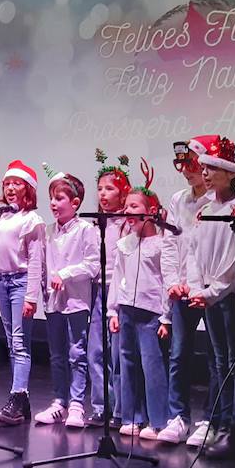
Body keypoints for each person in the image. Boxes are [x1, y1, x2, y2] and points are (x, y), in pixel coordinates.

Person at [184, 134, 235, 459]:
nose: (207, 173)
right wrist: (198, 288)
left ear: (231, 172)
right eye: (205, 168)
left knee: (234, 364)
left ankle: (234, 430)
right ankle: (221, 423)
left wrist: (213, 292)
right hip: (211, 297)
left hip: (230, 298)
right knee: (219, 361)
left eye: (214, 168)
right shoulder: (206, 209)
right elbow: (195, 253)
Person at [108, 165, 176, 440]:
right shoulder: (125, 243)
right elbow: (117, 278)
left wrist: (166, 316)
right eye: (126, 206)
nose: (128, 211)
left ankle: (157, 420)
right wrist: (113, 310)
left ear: (151, 210)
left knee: (152, 365)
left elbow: (165, 281)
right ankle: (133, 416)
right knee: (128, 363)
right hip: (126, 311)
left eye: (135, 206)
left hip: (151, 314)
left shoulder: (161, 244)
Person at [34, 168, 98, 428]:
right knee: (57, 354)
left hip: (76, 302)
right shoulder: (48, 231)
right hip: (53, 302)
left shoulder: (86, 229)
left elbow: (93, 265)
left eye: (59, 198)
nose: (53, 203)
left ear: (75, 203)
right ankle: (59, 401)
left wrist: (66, 273)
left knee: (77, 353)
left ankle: (76, 405)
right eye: (51, 198)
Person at [0, 160, 44, 426]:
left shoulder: (32, 219)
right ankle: (22, 399)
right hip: (1, 282)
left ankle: (17, 396)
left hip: (21, 283)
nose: (11, 188)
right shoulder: (1, 217)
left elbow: (35, 261)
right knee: (12, 342)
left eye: (16, 183)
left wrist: (32, 297)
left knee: (20, 343)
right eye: (7, 183)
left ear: (28, 188)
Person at [160, 142, 211, 443]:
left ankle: (210, 420)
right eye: (183, 165)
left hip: (211, 290)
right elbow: (170, 244)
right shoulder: (178, 200)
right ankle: (178, 416)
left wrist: (208, 287)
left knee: (218, 356)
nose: (188, 171)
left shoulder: (220, 201)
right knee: (179, 354)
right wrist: (171, 282)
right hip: (182, 291)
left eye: (193, 163)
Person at [92, 149, 134, 428]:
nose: (104, 194)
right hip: (97, 289)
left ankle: (121, 408)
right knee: (96, 351)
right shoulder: (96, 224)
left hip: (119, 293)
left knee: (119, 352)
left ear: (123, 193)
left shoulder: (129, 225)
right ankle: (100, 406)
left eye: (110, 189)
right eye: (100, 189)